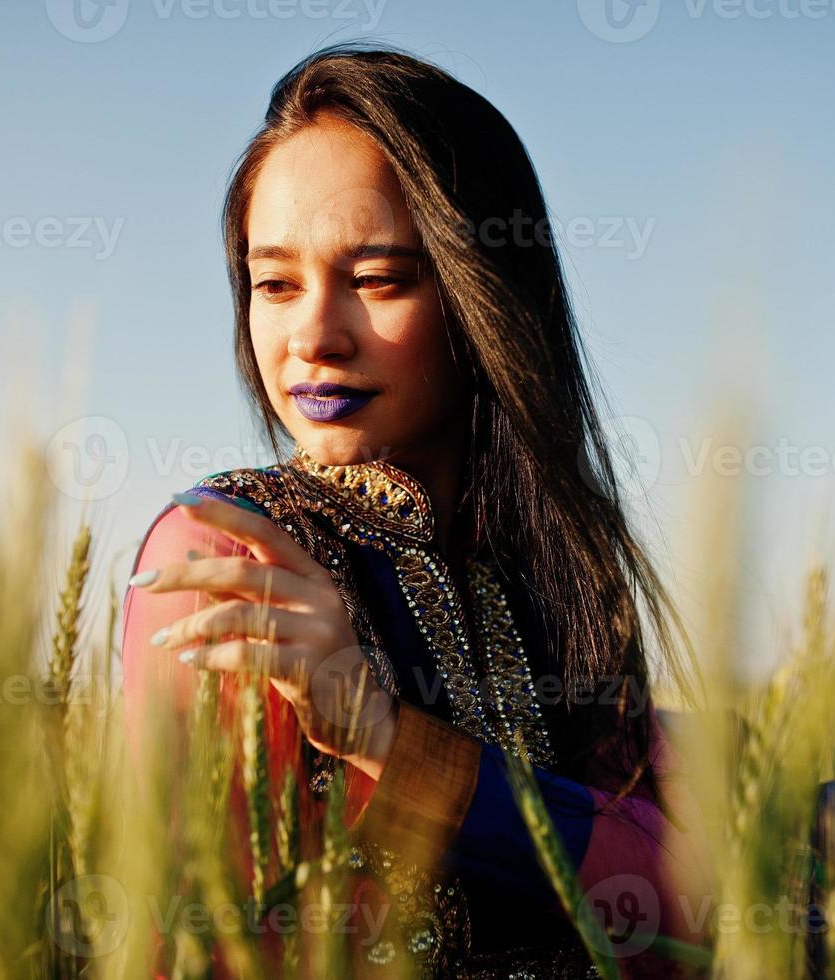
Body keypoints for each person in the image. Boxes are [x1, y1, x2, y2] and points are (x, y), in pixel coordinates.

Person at [121, 44, 715, 977]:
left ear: (480, 296)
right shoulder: (233, 554)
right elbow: (201, 948)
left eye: (377, 279)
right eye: (274, 283)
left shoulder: (558, 563)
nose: (312, 336)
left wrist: (387, 741)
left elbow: (685, 899)